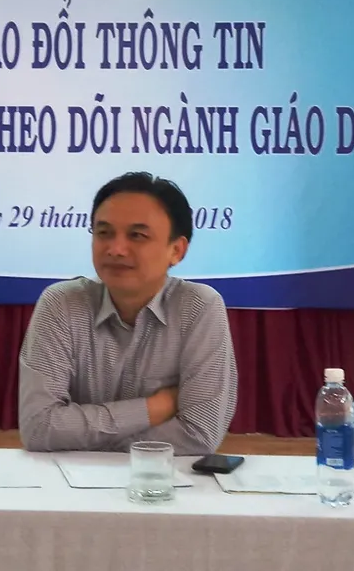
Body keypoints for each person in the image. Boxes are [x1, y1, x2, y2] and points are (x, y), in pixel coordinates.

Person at [18, 172, 237, 455]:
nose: (116, 249)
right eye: (104, 233)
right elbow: (39, 428)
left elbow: (199, 434)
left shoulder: (198, 307)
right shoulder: (61, 304)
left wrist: (84, 439)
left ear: (176, 250)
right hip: (70, 479)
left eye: (137, 236)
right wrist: (155, 408)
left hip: (162, 478)